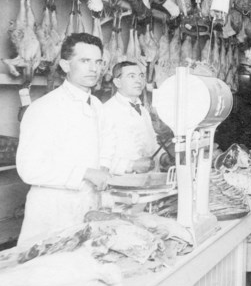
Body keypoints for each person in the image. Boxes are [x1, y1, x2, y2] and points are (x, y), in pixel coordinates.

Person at [16, 32, 112, 246]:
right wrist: (85, 173)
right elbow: (28, 168)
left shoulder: (96, 105)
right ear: (66, 65)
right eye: (85, 61)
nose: (94, 69)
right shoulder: (44, 108)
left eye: (98, 62)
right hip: (52, 213)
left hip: (88, 208)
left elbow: (105, 147)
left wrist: (104, 168)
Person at [100, 61, 161, 175]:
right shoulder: (106, 111)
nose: (139, 81)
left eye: (141, 76)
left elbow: (152, 144)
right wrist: (132, 165)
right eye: (131, 76)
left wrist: (163, 158)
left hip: (147, 181)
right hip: (120, 183)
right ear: (117, 82)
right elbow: (99, 158)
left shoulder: (143, 111)